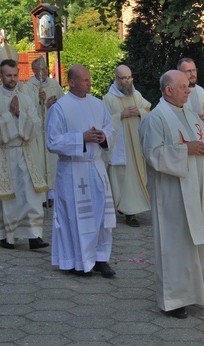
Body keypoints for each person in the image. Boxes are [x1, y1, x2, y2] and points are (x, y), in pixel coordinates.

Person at [139, 70, 204, 319]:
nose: (188, 90)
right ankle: (173, 300)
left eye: (188, 86)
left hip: (199, 190)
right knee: (176, 246)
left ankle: (190, 290)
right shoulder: (156, 118)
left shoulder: (191, 115)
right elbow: (153, 154)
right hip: (172, 193)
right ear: (168, 90)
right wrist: (186, 150)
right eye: (183, 86)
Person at [47, 64, 116, 278]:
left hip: (95, 167)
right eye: (85, 79)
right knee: (75, 217)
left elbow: (111, 127)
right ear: (72, 82)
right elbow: (52, 141)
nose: (89, 82)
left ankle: (101, 259)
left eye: (89, 78)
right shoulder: (60, 107)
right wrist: (81, 138)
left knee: (101, 217)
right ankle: (79, 261)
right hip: (72, 170)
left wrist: (103, 136)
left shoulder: (98, 104)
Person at [0, 59, 49, 250]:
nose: (12, 79)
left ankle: (34, 236)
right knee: (7, 199)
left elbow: (36, 125)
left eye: (14, 75)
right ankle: (6, 236)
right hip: (2, 154)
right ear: (1, 75)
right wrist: (9, 115)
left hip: (23, 152)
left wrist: (20, 114)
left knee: (30, 195)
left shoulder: (26, 99)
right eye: (8, 75)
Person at [103, 65, 151, 227]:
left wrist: (139, 112)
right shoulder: (108, 99)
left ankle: (132, 212)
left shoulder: (136, 95)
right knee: (121, 180)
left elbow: (148, 110)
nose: (127, 81)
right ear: (116, 78)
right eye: (123, 78)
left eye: (129, 77)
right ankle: (125, 210)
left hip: (136, 148)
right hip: (119, 148)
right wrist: (120, 116)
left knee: (136, 179)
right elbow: (105, 122)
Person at [22, 56, 64, 207]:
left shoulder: (54, 84)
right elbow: (27, 111)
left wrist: (56, 104)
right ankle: (41, 196)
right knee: (40, 162)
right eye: (40, 69)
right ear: (33, 71)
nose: (43, 72)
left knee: (53, 162)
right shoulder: (27, 88)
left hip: (53, 129)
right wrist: (42, 104)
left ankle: (52, 195)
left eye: (45, 68)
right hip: (38, 133)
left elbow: (63, 103)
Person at [177, 58, 204, 137]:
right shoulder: (176, 92)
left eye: (194, 70)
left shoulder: (201, 91)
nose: (192, 74)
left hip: (202, 139)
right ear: (180, 73)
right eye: (188, 71)